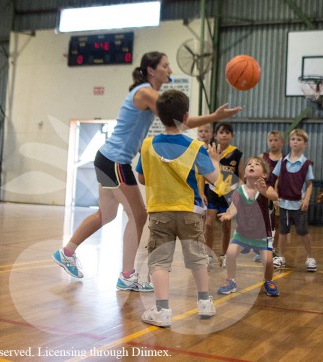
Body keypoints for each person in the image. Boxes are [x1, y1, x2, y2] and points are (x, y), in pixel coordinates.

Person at [52, 51, 242, 291]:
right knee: (138, 215)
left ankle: (66, 252)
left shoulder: (147, 93)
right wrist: (214, 116)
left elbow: (177, 120)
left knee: (106, 215)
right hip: (114, 161)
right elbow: (179, 120)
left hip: (107, 158)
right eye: (165, 65)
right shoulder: (145, 92)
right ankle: (127, 275)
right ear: (151, 70)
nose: (170, 70)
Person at [136, 90, 220, 327]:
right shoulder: (195, 147)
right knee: (197, 257)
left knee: (159, 260)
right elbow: (215, 179)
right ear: (185, 116)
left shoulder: (147, 145)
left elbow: (142, 178)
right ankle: (204, 302)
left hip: (160, 212)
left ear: (158, 116)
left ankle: (162, 311)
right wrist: (214, 160)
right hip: (189, 211)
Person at [216, 156, 279, 297]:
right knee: (230, 253)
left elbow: (274, 197)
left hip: (262, 234)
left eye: (257, 164)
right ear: (244, 173)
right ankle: (230, 280)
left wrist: (263, 191)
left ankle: (268, 281)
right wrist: (228, 215)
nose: (252, 165)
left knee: (268, 260)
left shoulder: (266, 189)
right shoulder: (239, 191)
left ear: (264, 174)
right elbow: (233, 207)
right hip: (243, 233)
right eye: (249, 164)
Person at [272, 129, 316, 272]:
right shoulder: (282, 161)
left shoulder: (306, 164)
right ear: (289, 142)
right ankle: (281, 256)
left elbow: (309, 184)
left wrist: (307, 199)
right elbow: (277, 180)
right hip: (284, 203)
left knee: (303, 231)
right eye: (293, 139)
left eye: (299, 139)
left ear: (305, 144)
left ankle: (310, 258)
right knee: (283, 232)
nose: (295, 142)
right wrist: (275, 196)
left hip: (298, 204)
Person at [204, 123, 244, 267]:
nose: (224, 135)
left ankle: (224, 254)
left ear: (232, 135)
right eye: (221, 132)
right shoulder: (210, 151)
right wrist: (202, 191)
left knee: (226, 226)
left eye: (228, 132)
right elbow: (205, 171)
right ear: (216, 135)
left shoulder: (237, 154)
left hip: (229, 193)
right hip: (213, 191)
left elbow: (241, 175)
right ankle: (208, 255)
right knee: (208, 224)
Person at [254, 130, 284, 263]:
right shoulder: (263, 157)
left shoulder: (285, 159)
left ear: (282, 143)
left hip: (277, 193)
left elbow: (283, 178)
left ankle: (274, 249)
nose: (273, 143)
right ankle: (262, 249)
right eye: (271, 140)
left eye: (276, 140)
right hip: (262, 192)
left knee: (276, 223)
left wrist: (278, 195)